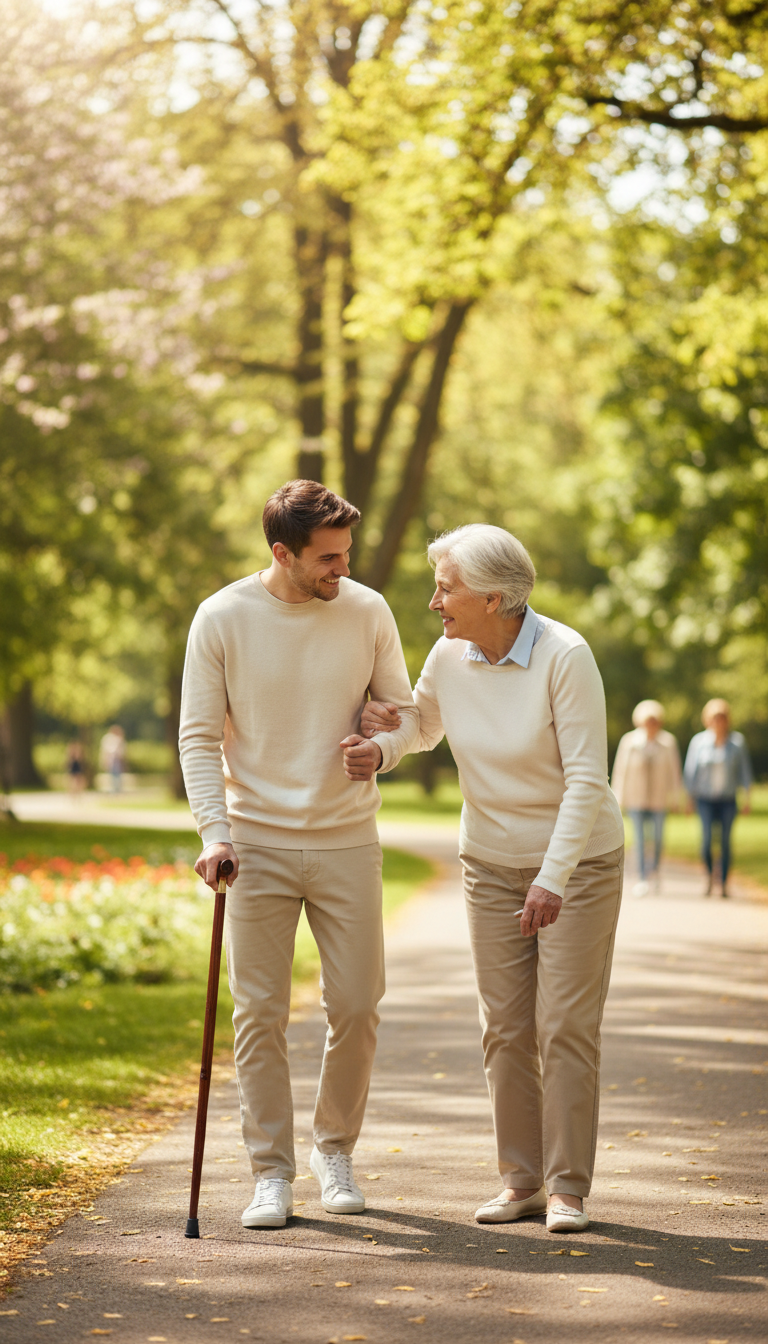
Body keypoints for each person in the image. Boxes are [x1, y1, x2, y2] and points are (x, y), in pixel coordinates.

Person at [353, 524, 625, 1235]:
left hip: (579, 865)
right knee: (504, 1028)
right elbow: (422, 727)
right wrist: (382, 745)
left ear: (495, 597)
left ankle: (567, 1188)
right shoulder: (449, 655)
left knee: (563, 1024)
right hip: (491, 863)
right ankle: (522, 1182)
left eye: (447, 586)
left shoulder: (565, 657)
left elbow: (587, 783)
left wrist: (553, 878)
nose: (434, 600)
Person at [179, 480, 418, 1230]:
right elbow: (196, 735)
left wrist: (379, 750)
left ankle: (333, 1149)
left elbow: (407, 717)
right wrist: (214, 832)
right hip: (255, 844)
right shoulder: (222, 617)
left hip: (348, 839)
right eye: (328, 558)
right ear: (282, 553)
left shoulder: (367, 609)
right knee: (259, 1014)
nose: (342, 569)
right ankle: (270, 1174)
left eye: (346, 554)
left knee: (357, 1005)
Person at [611, 700, 682, 898]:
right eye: (647, 721)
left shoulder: (668, 742)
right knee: (641, 840)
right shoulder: (629, 742)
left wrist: (676, 797)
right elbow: (620, 771)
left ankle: (655, 872)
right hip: (636, 799)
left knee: (658, 838)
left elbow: (674, 772)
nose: (651, 724)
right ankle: (642, 878)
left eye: (654, 721)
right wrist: (618, 798)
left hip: (659, 800)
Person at [684, 698, 752, 899]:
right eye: (715, 717)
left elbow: (745, 772)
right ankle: (708, 876)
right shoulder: (698, 742)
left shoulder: (737, 743)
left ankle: (723, 884)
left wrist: (747, 798)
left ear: (727, 719)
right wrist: (689, 798)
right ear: (707, 719)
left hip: (728, 800)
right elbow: (690, 773)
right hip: (705, 799)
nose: (718, 721)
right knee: (706, 840)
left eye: (722, 717)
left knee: (725, 841)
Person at [99, 725, 125, 792]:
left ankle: (117, 789)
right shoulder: (109, 739)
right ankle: (115, 789)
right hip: (112, 759)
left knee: (116, 775)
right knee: (114, 775)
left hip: (116, 759)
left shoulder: (116, 739)